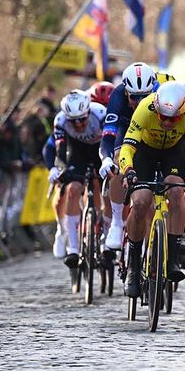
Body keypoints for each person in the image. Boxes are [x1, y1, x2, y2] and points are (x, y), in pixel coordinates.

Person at [118, 81, 185, 299]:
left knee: (176, 192)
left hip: (173, 152)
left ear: (183, 111)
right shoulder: (146, 108)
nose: (166, 122)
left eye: (172, 119)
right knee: (141, 202)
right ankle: (134, 267)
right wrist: (127, 170)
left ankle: (172, 256)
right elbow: (127, 148)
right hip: (144, 151)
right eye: (162, 117)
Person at [99, 62, 173, 251]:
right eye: (134, 98)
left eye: (144, 97)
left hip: (153, 132)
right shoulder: (117, 97)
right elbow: (108, 136)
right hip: (126, 129)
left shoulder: (163, 93)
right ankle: (116, 222)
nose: (139, 103)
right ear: (126, 92)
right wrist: (105, 158)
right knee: (117, 161)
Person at [49, 89, 109, 268]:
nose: (79, 124)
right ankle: (73, 248)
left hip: (99, 149)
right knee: (73, 189)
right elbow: (60, 152)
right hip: (78, 152)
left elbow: (110, 142)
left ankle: (105, 235)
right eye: (73, 121)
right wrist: (58, 168)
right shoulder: (60, 121)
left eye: (82, 119)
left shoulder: (100, 114)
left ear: (88, 112)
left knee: (105, 186)